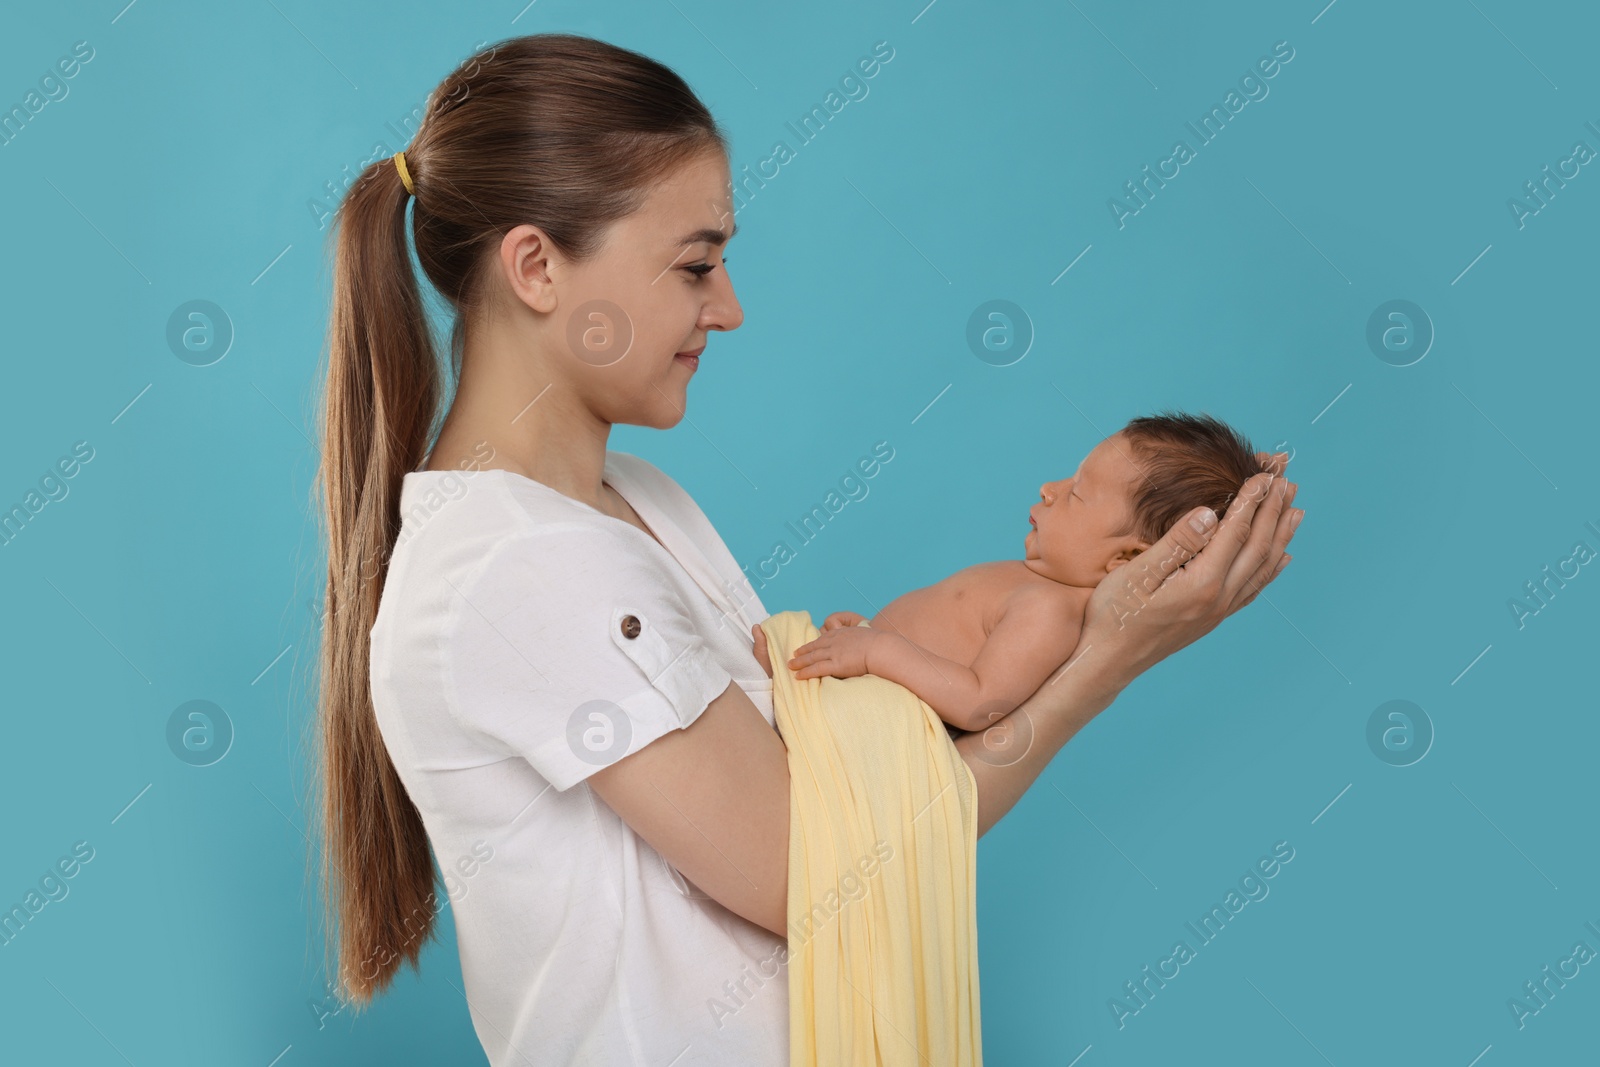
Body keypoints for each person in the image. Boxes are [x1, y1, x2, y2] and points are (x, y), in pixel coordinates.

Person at [311, 33, 1301, 1067]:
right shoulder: (522, 567)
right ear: (536, 266)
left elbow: (854, 803)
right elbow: (832, 876)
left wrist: (1099, 629)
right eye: (694, 263)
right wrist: (1103, 659)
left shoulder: (630, 502)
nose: (729, 308)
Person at [783, 412, 1292, 734]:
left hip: (867, 729)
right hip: (862, 684)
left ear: (1125, 560)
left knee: (760, 666)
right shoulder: (1037, 586)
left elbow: (980, 703)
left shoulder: (1051, 611)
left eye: (1075, 492)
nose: (1049, 486)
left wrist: (878, 651)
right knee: (764, 650)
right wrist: (865, 636)